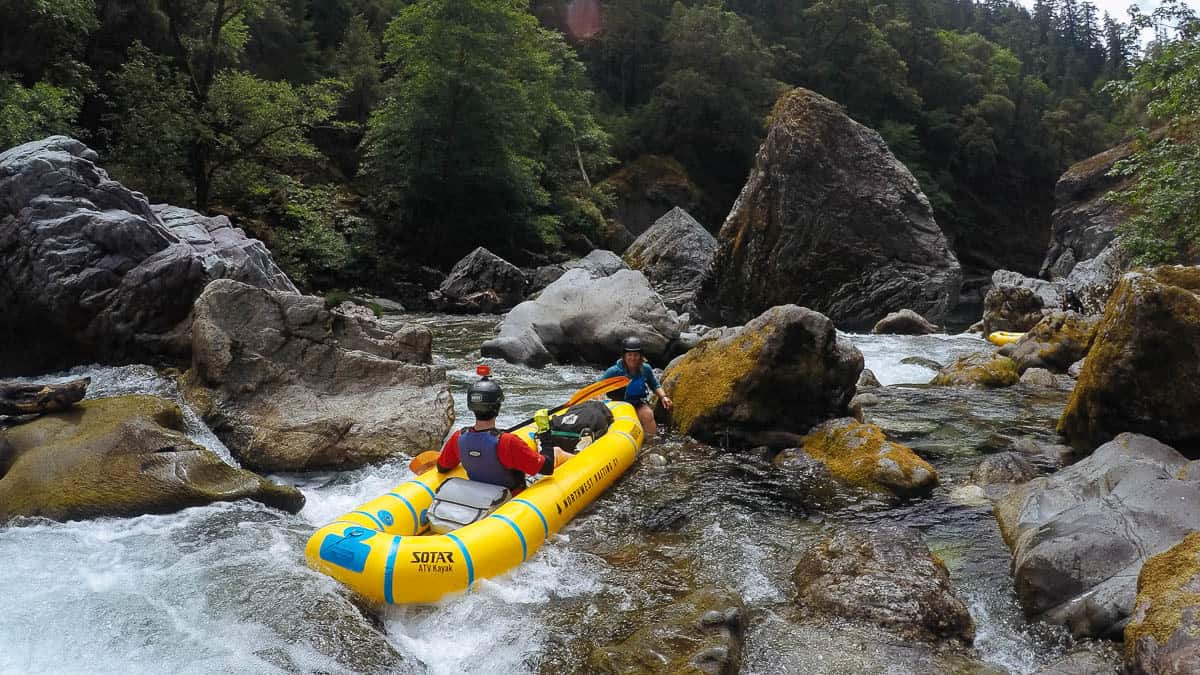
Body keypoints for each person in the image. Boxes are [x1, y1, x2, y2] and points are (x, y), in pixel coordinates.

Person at [436, 366, 555, 492]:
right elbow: (547, 468)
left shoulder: (458, 438)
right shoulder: (508, 442)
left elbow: (442, 467)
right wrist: (546, 440)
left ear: (471, 407)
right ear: (497, 407)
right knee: (557, 453)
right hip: (510, 502)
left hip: (480, 500)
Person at [602, 336, 673, 437]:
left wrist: (663, 397)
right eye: (629, 355)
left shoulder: (646, 369)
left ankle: (651, 442)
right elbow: (598, 388)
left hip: (637, 403)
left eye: (636, 355)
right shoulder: (613, 371)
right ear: (624, 356)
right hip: (619, 405)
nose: (633, 358)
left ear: (640, 356)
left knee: (648, 414)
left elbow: (654, 385)